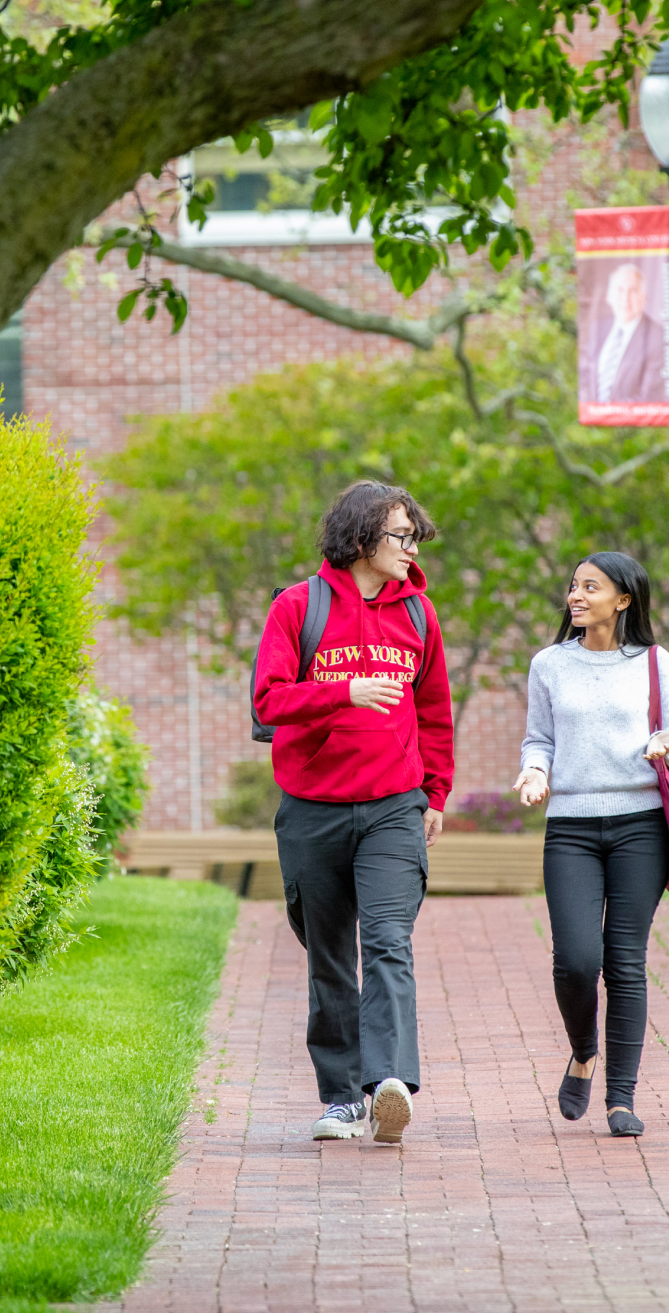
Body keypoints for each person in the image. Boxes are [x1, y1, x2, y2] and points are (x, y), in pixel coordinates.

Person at [253, 480, 454, 1145]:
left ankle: (389, 1083)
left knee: (388, 941)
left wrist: (435, 793)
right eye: (400, 535)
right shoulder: (296, 608)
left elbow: (434, 715)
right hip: (313, 811)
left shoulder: (419, 615)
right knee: (330, 957)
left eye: (413, 534)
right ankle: (341, 1099)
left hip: (394, 808)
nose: (411, 547)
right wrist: (342, 690)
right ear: (362, 538)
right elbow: (268, 701)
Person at [513, 552, 669, 1138]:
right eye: (573, 586)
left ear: (623, 600)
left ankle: (621, 1098)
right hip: (570, 828)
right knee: (575, 961)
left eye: (590, 587)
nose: (576, 595)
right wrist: (535, 772)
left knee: (624, 963)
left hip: (641, 825)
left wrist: (667, 746)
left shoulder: (653, 662)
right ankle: (583, 1052)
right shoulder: (549, 664)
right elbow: (538, 738)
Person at [584, 263, 669, 403]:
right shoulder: (597, 329)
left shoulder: (658, 337)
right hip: (591, 420)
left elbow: (651, 397)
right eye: (620, 290)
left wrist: (608, 413)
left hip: (631, 422)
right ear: (609, 296)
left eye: (633, 291)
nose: (625, 298)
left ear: (644, 297)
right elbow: (585, 379)